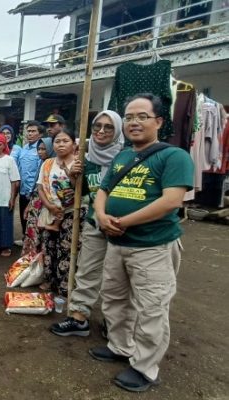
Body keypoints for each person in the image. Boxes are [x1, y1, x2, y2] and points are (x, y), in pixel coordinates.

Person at [90, 93, 193, 392]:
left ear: (159, 121)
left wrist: (123, 222)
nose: (134, 122)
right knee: (114, 298)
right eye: (130, 117)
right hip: (117, 243)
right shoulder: (122, 156)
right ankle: (120, 346)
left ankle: (145, 367)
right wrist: (100, 215)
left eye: (142, 117)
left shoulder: (175, 157)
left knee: (151, 308)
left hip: (152, 246)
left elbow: (171, 201)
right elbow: (103, 190)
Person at [50, 110, 124, 338]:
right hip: (94, 222)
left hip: (123, 225)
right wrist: (74, 177)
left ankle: (115, 325)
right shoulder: (87, 157)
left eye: (108, 127)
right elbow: (81, 192)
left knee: (117, 277)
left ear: (118, 131)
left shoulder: (127, 157)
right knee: (86, 270)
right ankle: (79, 318)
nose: (101, 131)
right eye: (97, 126)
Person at [36, 129, 84, 295]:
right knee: (48, 246)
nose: (61, 144)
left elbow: (83, 189)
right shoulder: (47, 163)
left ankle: (65, 283)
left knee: (67, 248)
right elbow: (40, 187)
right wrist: (49, 206)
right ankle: (49, 280)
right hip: (50, 210)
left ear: (73, 144)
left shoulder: (79, 163)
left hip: (72, 212)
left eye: (65, 141)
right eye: (57, 141)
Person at [11, 121, 45, 240]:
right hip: (23, 190)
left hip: (35, 191)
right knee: (23, 217)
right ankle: (25, 240)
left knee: (34, 219)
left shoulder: (41, 149)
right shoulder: (23, 149)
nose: (29, 134)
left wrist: (35, 190)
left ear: (40, 134)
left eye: (33, 131)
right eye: (28, 131)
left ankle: (34, 243)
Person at [21, 138, 54, 257]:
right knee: (31, 230)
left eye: (43, 149)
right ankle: (30, 259)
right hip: (36, 202)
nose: (40, 152)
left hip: (46, 204)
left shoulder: (53, 165)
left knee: (41, 233)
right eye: (38, 149)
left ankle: (38, 259)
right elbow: (36, 188)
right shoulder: (42, 164)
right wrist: (29, 205)